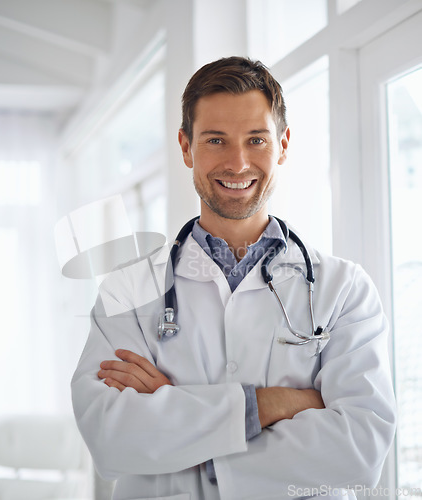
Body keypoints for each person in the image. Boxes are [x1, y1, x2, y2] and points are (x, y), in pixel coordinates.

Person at [71, 57, 396, 500]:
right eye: (216, 140)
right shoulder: (127, 290)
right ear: (186, 147)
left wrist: (183, 422)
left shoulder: (344, 288)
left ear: (282, 144)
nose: (238, 163)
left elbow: (361, 451)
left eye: (256, 139)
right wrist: (272, 404)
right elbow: (110, 438)